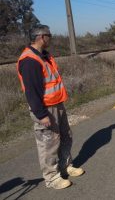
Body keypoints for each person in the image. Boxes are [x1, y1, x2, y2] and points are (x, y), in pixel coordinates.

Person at [16, 25, 84, 190]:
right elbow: (31, 92)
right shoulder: (30, 61)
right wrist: (41, 115)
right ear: (41, 37)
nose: (51, 38)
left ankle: (65, 166)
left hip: (57, 104)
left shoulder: (44, 56)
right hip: (45, 109)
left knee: (66, 136)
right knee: (49, 143)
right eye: (49, 35)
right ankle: (52, 178)